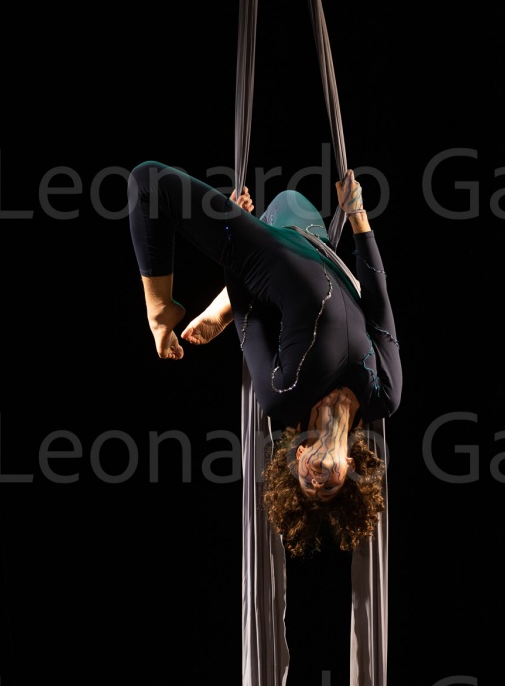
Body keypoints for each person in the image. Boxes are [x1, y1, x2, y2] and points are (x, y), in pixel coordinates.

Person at [128, 160, 402, 553]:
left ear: (299, 455)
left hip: (270, 254)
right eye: (327, 488)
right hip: (313, 236)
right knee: (290, 203)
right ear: (350, 468)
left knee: (148, 182)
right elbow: (379, 310)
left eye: (307, 484)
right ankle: (217, 307)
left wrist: (237, 233)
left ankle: (160, 310)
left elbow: (251, 322)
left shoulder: (283, 398)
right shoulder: (383, 396)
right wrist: (358, 216)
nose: (316, 481)